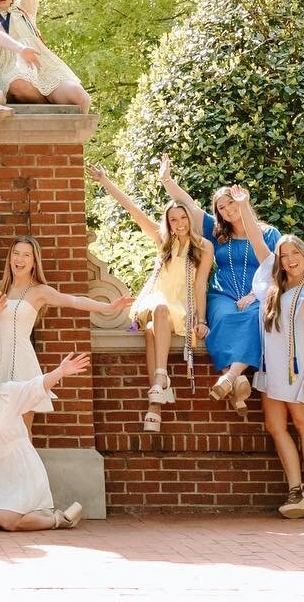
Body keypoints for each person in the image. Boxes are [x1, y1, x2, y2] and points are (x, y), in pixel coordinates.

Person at [88, 164, 210, 432]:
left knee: (153, 329)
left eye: (182, 218)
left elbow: (200, 285)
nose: (178, 224)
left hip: (181, 305)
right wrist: (105, 180)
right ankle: (160, 380)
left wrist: (202, 319)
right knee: (158, 310)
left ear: (189, 218)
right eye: (173, 220)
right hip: (156, 299)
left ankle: (155, 401)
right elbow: (133, 209)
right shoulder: (162, 240)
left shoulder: (203, 247)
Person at [159, 157, 280, 412]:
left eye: (230, 203)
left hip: (255, 294)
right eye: (222, 207)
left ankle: (229, 377)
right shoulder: (217, 233)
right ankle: (236, 380)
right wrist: (167, 180)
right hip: (222, 294)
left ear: (242, 202)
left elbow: (277, 272)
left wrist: (256, 296)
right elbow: (190, 207)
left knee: (251, 318)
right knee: (222, 318)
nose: (227, 210)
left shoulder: (268, 234)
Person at [242, 195, 304, 519]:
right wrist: (244, 205)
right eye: (284, 255)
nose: (290, 259)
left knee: (303, 422)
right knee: (274, 425)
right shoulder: (272, 287)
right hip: (271, 370)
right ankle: (295, 490)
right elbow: (256, 240)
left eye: (295, 253)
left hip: (300, 369)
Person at [0, 236, 131, 413]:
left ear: (34, 261)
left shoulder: (39, 290)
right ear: (9, 258)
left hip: (21, 361)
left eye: (26, 255)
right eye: (16, 254)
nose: (19, 259)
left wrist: (108, 307)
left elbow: (74, 301)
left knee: (22, 426)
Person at [0, 347, 88, 531]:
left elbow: (35, 387)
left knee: (7, 520)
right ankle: (18, 514)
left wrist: (60, 371)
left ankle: (56, 519)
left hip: (22, 471)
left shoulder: (5, 395)